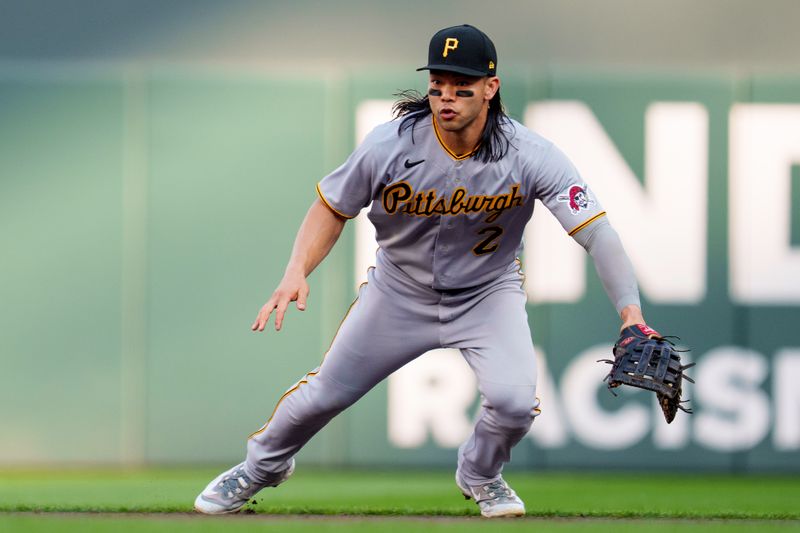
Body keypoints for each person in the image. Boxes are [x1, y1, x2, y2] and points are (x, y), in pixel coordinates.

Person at [195, 24, 646, 518]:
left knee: (515, 403)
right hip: (399, 291)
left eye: (461, 87)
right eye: (437, 86)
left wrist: (631, 314)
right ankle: (259, 469)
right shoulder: (389, 143)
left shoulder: (531, 155)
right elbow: (332, 206)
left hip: (486, 294)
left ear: (491, 89)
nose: (446, 97)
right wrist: (295, 270)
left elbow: (596, 232)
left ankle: (481, 474)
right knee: (324, 394)